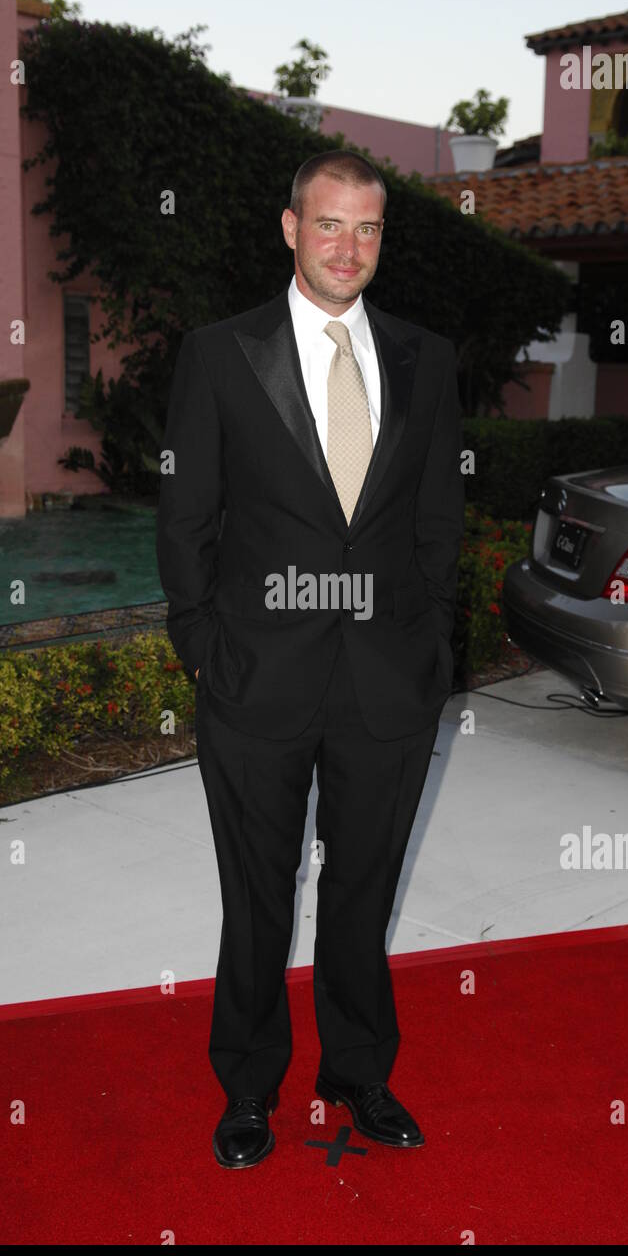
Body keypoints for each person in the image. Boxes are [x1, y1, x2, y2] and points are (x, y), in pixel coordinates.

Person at [156, 149, 463, 1168]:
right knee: (256, 895)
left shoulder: (424, 357)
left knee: (363, 888)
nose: (348, 246)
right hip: (254, 676)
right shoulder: (218, 354)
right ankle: (247, 1088)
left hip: (386, 681)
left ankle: (358, 1072)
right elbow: (186, 518)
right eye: (328, 224)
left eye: (367, 228)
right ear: (290, 228)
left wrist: (429, 650)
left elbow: (433, 524)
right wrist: (202, 647)